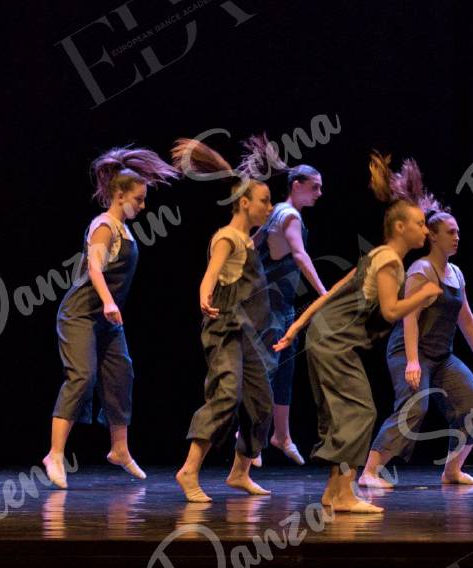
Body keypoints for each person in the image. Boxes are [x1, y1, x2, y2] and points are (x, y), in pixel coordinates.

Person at [273, 154, 441, 513]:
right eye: (420, 224)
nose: (425, 231)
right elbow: (391, 311)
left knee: (345, 414)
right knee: (360, 411)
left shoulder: (376, 255)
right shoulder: (389, 261)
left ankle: (334, 493)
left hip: (326, 338)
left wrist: (298, 326)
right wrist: (424, 294)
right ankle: (345, 494)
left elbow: (333, 292)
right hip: (335, 341)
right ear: (400, 227)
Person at [42, 146, 182, 489]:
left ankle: (119, 449)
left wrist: (108, 310)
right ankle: (55, 454)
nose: (143, 206)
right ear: (120, 196)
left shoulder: (124, 228)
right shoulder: (104, 226)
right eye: (139, 199)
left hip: (105, 320)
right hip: (80, 315)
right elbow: (94, 267)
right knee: (83, 377)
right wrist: (107, 302)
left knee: (121, 374)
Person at [359, 206, 473, 488]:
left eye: (458, 232)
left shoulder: (456, 274)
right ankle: (369, 472)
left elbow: (468, 320)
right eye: (450, 232)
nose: (457, 237)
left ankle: (452, 471)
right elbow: (409, 317)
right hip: (409, 351)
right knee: (414, 407)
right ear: (433, 237)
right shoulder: (421, 270)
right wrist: (413, 361)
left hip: (442, 356)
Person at [171, 137, 277, 505]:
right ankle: (189, 470)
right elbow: (211, 273)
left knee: (261, 404)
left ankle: (240, 472)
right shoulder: (227, 238)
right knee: (226, 394)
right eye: (264, 201)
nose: (269, 207)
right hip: (224, 330)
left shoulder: (247, 240)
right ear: (244, 203)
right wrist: (204, 294)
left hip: (247, 334)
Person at [255, 161, 327, 463]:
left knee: (284, 369)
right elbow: (299, 255)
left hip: (279, 305)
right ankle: (250, 438)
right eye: (314, 187)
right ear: (296, 185)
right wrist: (324, 292)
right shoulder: (290, 215)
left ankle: (281, 435)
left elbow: (253, 244)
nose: (319, 193)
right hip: (270, 306)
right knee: (268, 370)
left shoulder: (276, 213)